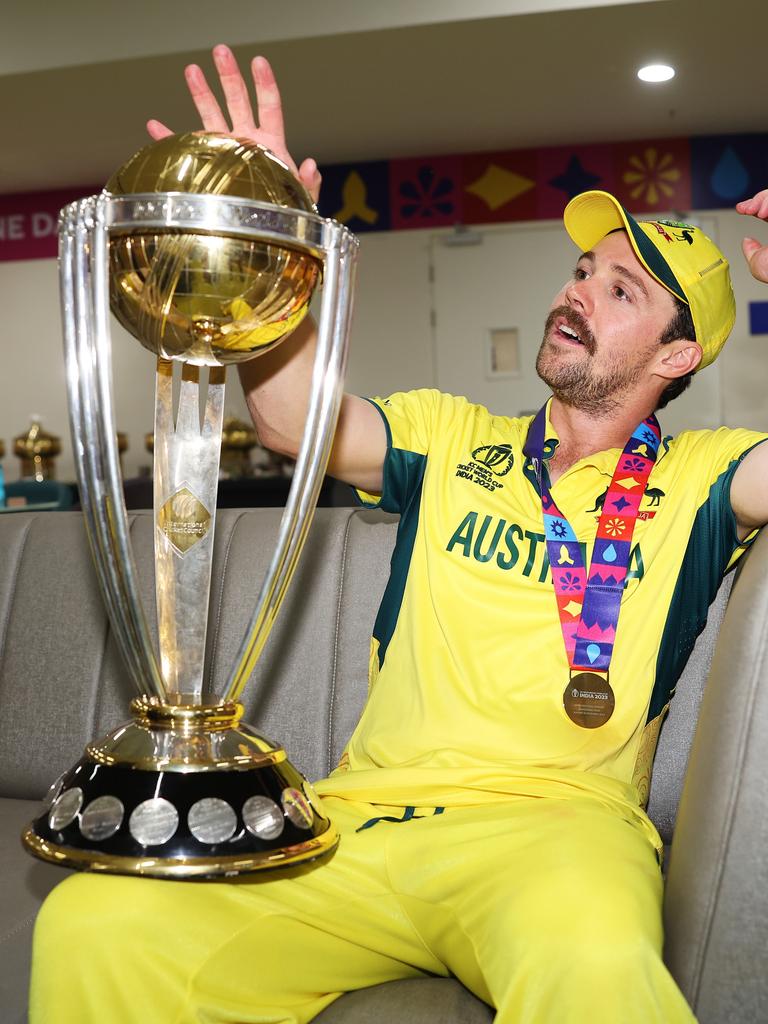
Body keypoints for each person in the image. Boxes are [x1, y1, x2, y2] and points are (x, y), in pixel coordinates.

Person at [30, 45, 768, 1024]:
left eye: (620, 290)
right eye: (583, 269)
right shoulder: (449, 433)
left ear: (678, 354)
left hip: (558, 832)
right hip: (363, 819)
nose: (578, 290)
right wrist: (271, 243)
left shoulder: (707, 471)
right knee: (97, 920)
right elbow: (296, 423)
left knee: (594, 966)